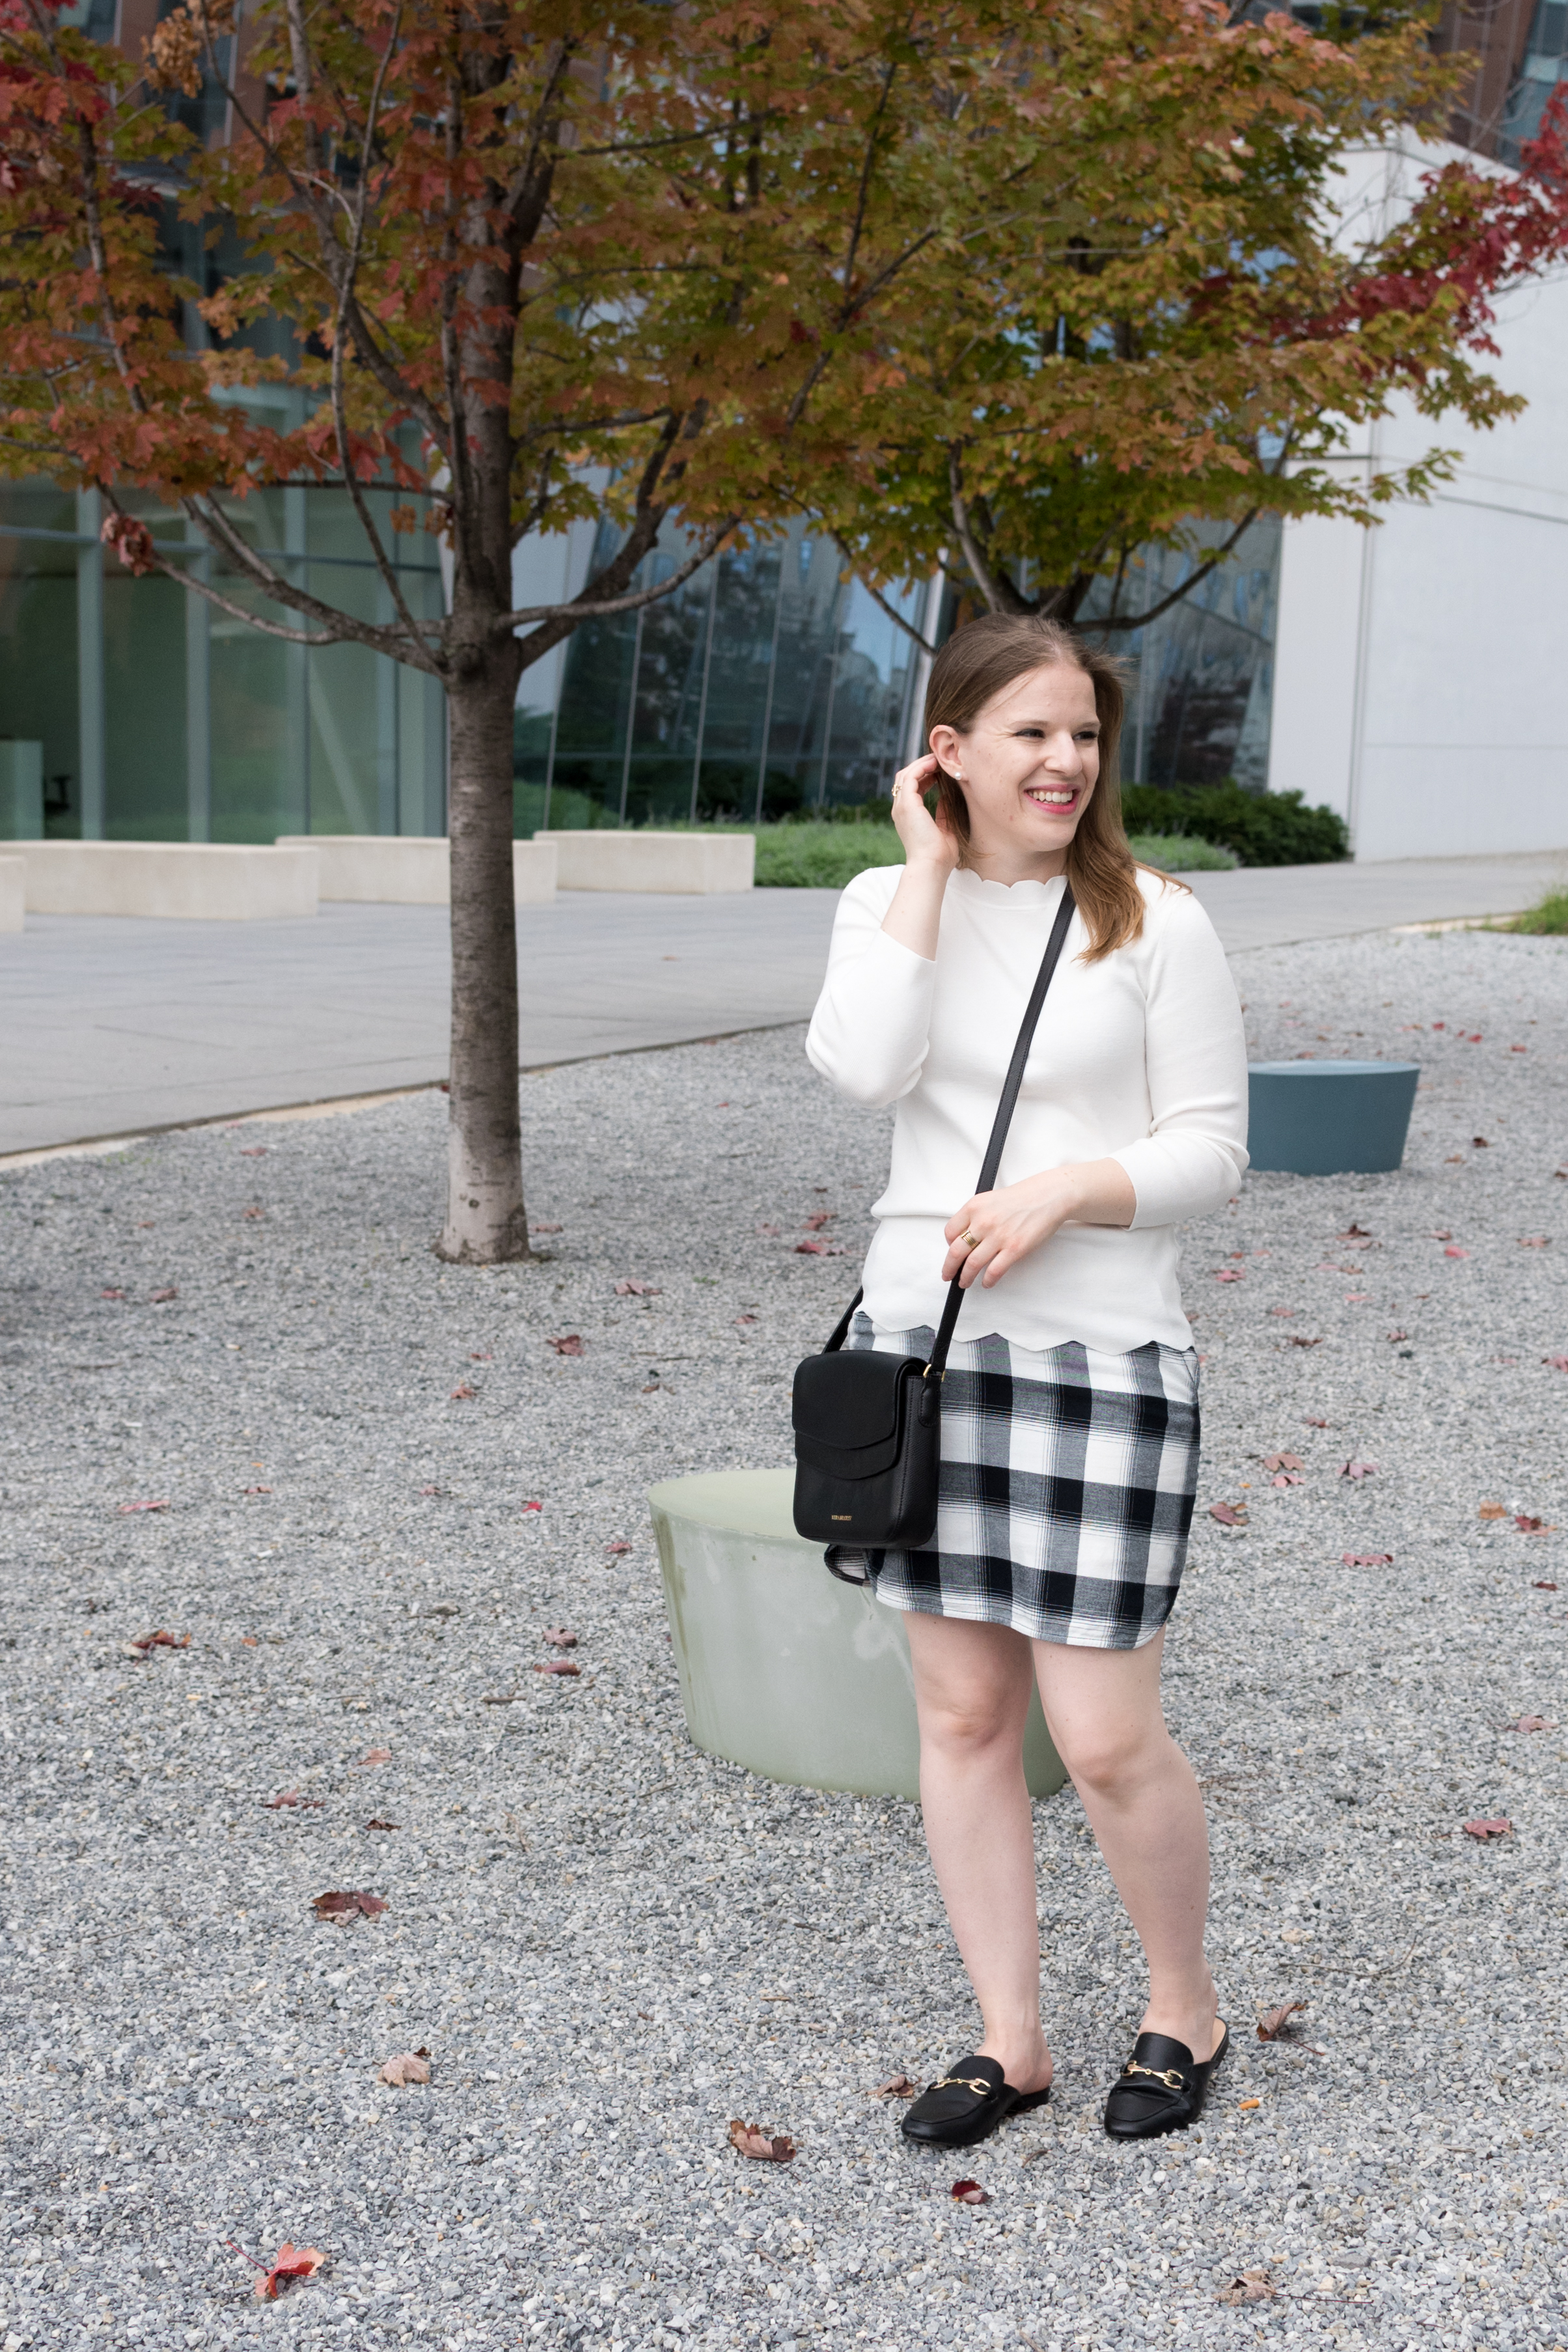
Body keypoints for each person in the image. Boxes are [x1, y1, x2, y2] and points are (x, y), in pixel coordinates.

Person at [805, 612, 1248, 2148]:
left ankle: (1178, 2002)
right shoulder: (882, 899)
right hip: (928, 1351)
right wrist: (925, 872)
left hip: (1105, 1361)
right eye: (1028, 735)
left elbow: (1210, 1147)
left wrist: (1063, 1190)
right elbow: (865, 1072)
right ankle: (1012, 2036)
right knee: (963, 1715)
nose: (1064, 763)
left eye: (1081, 735)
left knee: (1106, 1732)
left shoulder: (1155, 921)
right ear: (948, 753)